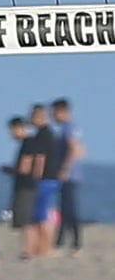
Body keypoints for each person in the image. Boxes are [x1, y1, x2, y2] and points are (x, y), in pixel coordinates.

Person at [52, 98, 85, 255]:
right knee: (65, 209)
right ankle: (61, 242)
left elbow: (73, 149)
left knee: (69, 210)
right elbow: (80, 149)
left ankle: (76, 244)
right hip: (72, 174)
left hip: (69, 176)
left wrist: (65, 168)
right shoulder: (72, 128)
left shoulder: (68, 128)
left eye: (55, 113)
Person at [29, 104, 61, 257]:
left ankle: (45, 247)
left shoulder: (43, 135)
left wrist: (35, 177)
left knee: (42, 215)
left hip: (45, 180)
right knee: (44, 214)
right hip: (52, 178)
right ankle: (44, 247)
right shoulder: (50, 134)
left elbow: (40, 159)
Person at [5, 116, 38, 260]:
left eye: (12, 130)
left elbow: (25, 168)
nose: (11, 134)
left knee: (25, 221)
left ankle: (27, 250)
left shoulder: (28, 143)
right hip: (27, 185)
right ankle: (28, 249)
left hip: (26, 185)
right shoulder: (28, 143)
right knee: (25, 220)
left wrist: (10, 170)